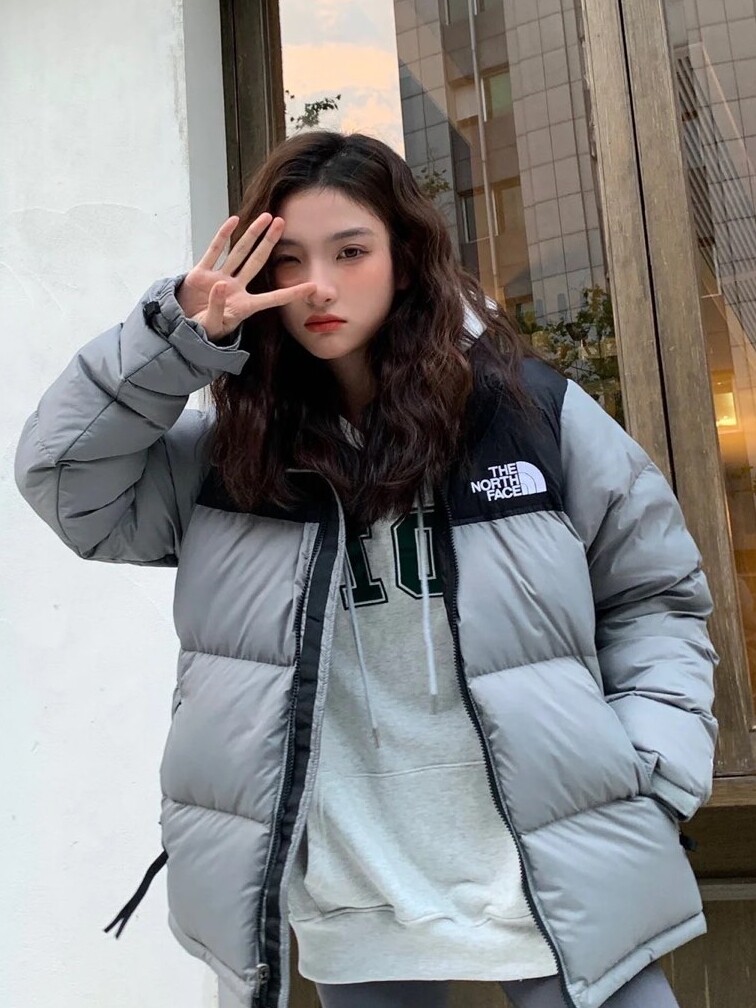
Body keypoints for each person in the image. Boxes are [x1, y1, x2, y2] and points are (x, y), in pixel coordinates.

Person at [15, 131, 718, 1008]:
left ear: (403, 259)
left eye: (350, 252)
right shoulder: (232, 457)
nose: (319, 285)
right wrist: (175, 341)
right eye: (291, 260)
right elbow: (65, 480)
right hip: (358, 893)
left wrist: (651, 767)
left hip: (549, 878)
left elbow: (654, 595)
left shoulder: (528, 416)